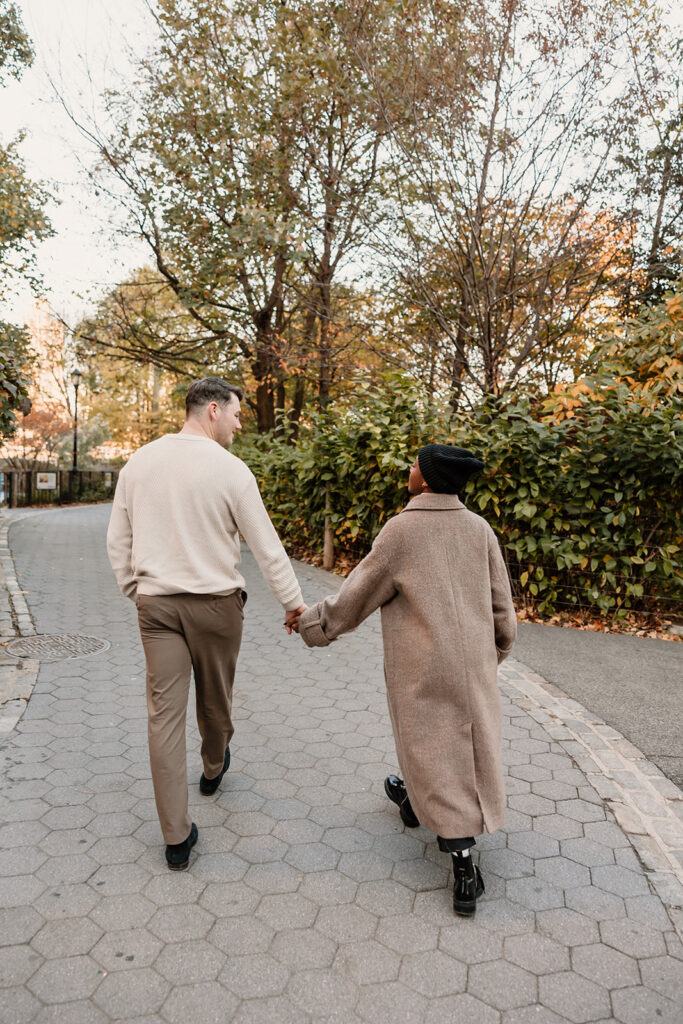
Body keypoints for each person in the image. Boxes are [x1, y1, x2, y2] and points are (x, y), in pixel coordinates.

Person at [292, 444, 516, 916]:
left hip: (420, 667)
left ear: (428, 479)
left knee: (427, 740)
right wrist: (490, 654)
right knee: (458, 746)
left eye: (414, 465)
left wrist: (311, 624)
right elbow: (504, 612)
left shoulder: (401, 531)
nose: (408, 471)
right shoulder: (480, 530)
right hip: (474, 665)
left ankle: (462, 867)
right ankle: (416, 802)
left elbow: (356, 597)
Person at [107, 377, 305, 870]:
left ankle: (176, 839)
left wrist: (138, 591)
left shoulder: (139, 462)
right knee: (215, 699)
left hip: (157, 608)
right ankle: (213, 767)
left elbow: (118, 541)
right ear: (212, 409)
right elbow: (266, 546)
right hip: (216, 607)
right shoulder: (231, 470)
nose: (240, 425)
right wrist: (294, 604)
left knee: (163, 717)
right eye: (237, 414)